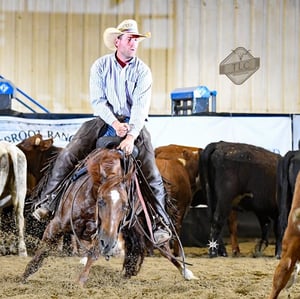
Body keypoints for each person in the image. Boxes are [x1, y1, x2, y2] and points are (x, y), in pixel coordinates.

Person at [32, 19, 172, 245]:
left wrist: (131, 136)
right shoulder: (100, 66)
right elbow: (98, 101)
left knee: (152, 173)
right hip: (104, 120)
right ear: (118, 42)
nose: (134, 43)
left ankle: (159, 223)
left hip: (134, 124)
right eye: (129, 39)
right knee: (69, 154)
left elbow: (140, 107)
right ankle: (48, 201)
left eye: (136, 39)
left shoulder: (143, 72)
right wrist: (116, 124)